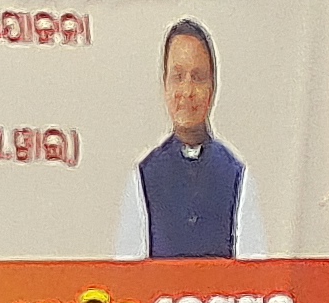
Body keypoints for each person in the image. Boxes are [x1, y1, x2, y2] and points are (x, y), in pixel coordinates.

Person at [114, 19, 266, 260]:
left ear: (212, 87)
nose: (187, 91)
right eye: (178, 76)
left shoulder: (237, 175)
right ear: (165, 84)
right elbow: (128, 276)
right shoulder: (143, 177)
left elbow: (254, 273)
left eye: (198, 77)